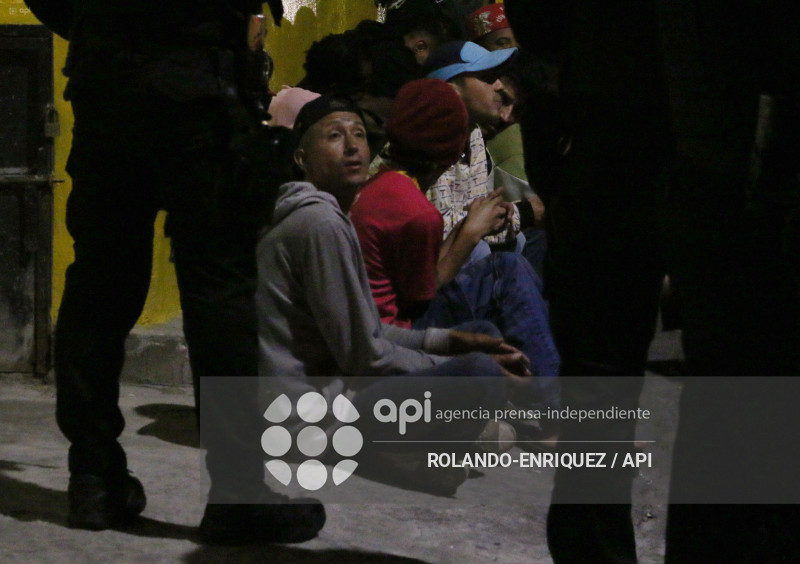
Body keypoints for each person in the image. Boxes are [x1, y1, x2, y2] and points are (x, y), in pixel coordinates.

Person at [23, 0, 324, 544]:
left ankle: (93, 476)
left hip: (109, 90)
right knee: (219, 293)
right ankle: (238, 492)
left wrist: (106, 28)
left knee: (99, 287)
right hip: (202, 97)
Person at [256, 95, 531, 493]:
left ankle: (403, 450)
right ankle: (397, 454)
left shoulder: (332, 214)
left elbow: (370, 332)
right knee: (481, 373)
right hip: (308, 421)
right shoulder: (318, 224)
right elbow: (364, 355)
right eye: (334, 136)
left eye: (359, 135)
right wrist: (448, 361)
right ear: (302, 159)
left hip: (339, 393)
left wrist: (452, 340)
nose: (352, 146)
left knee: (481, 334)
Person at [504, 1, 671, 562]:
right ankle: (593, 547)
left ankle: (592, 543)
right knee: (603, 382)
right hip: (617, 150)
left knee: (605, 381)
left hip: (620, 148)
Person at [350, 78, 559, 411]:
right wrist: (470, 234)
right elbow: (423, 295)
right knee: (507, 270)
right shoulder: (413, 209)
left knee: (489, 325)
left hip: (384, 325)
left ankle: (541, 399)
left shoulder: (385, 183)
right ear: (451, 151)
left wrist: (467, 224)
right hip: (393, 336)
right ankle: (554, 408)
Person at [421, 40, 546, 264]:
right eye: (487, 78)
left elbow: (475, 219)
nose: (498, 85)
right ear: (451, 89)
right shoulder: (428, 137)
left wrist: (497, 215)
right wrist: (519, 214)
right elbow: (435, 230)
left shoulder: (473, 134)